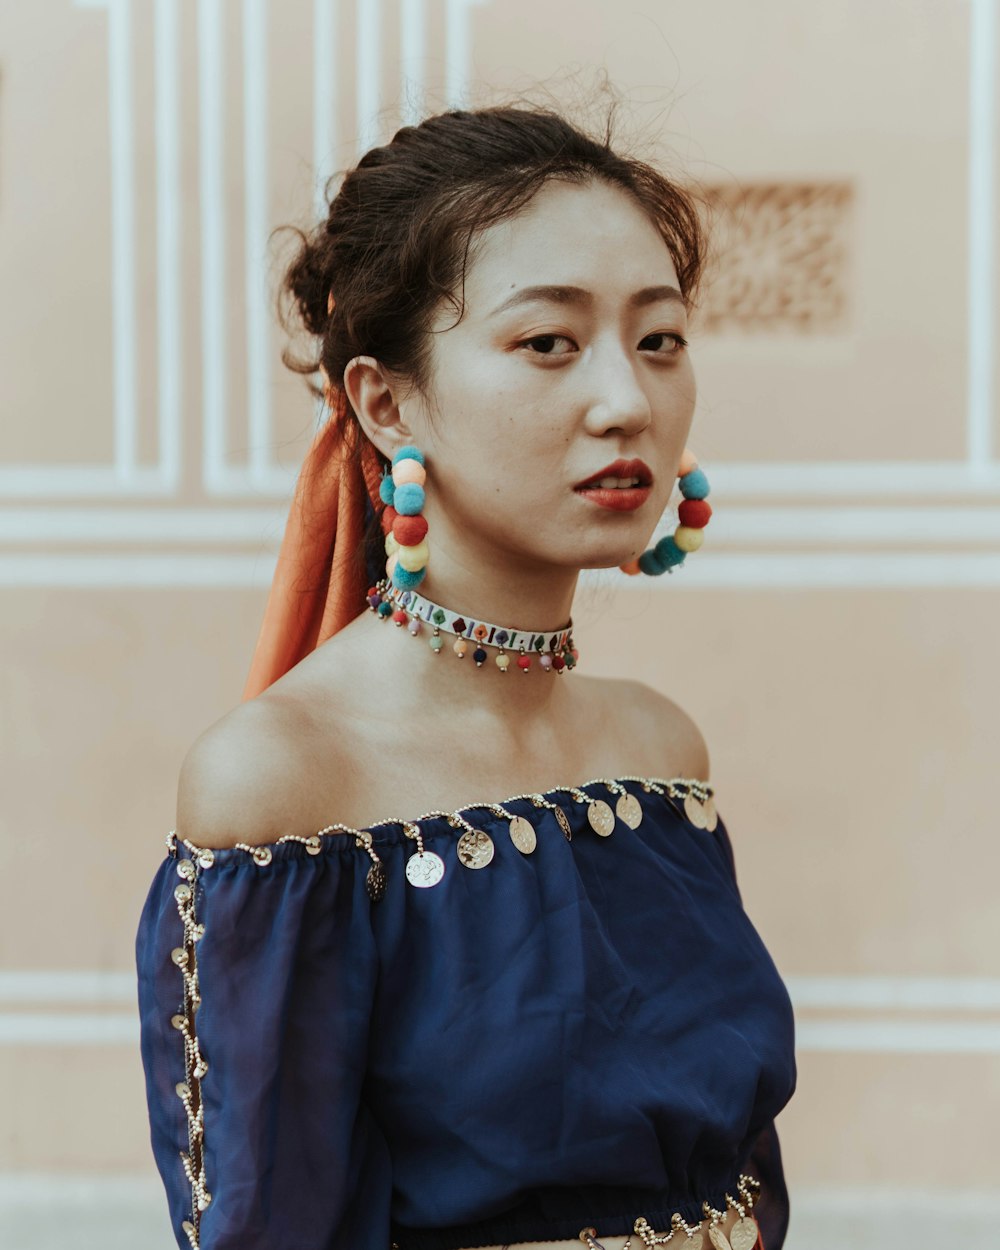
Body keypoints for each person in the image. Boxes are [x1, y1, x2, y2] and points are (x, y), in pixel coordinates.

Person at [135, 100, 797, 1250]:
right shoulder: (283, 781)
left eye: (659, 338)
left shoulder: (659, 750)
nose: (625, 400)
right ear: (386, 403)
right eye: (549, 341)